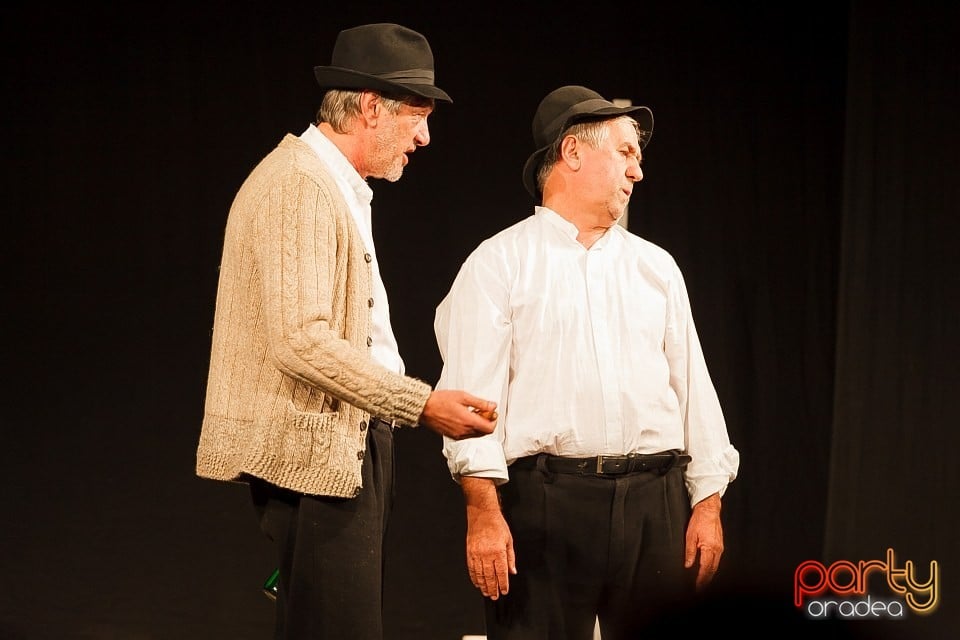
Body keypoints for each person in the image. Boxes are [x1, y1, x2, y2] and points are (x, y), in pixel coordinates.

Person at [195, 23, 497, 640]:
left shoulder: (331, 186)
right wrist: (419, 404)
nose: (424, 137)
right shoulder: (299, 186)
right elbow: (299, 340)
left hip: (339, 450)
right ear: (369, 107)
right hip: (312, 461)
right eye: (417, 116)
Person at [433, 85, 740, 639]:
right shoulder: (500, 263)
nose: (637, 172)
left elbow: (693, 388)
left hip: (655, 504)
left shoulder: (656, 267)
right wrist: (482, 511)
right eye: (625, 153)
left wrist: (708, 502)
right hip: (547, 503)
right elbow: (470, 402)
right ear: (572, 152)